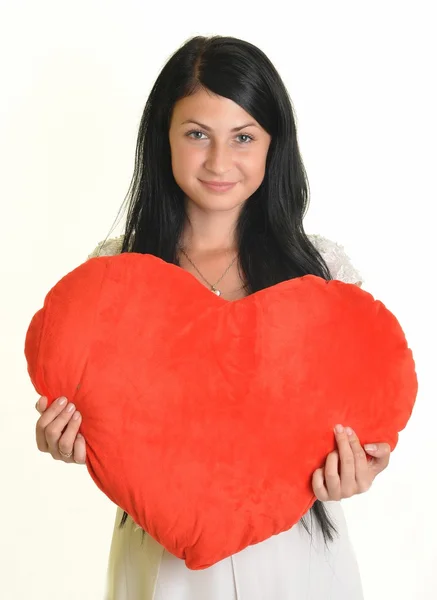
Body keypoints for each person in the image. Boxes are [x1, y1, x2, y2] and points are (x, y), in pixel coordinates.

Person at [34, 35, 391, 599]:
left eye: (243, 137)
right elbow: (108, 416)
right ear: (164, 140)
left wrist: (361, 466)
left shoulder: (321, 277)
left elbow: (355, 418)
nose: (220, 161)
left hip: (296, 560)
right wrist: (71, 436)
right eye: (197, 134)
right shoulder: (115, 277)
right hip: (161, 560)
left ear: (275, 145)